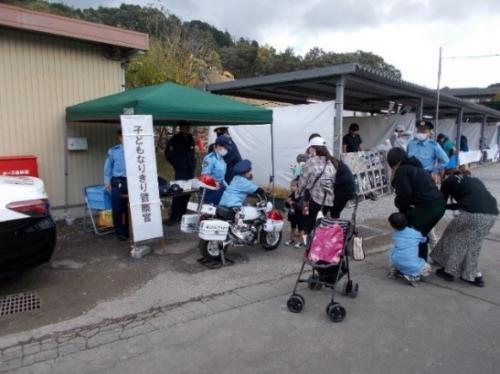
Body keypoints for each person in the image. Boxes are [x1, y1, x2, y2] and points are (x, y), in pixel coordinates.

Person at [431, 168, 498, 287]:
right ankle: (472, 275)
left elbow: (441, 203)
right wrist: (449, 207)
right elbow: (470, 201)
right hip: (492, 214)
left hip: (471, 213)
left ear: (446, 175)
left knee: (451, 236)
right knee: (473, 244)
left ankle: (447, 270)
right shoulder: (474, 180)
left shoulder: (449, 181)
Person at [387, 147, 446, 260]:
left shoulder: (402, 170)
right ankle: (433, 259)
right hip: (438, 204)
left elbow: (405, 194)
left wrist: (402, 210)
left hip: (428, 207)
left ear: (393, 162)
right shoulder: (416, 167)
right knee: (422, 233)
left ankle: (418, 266)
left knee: (415, 235)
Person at [298, 136, 336, 244]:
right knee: (321, 221)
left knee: (306, 217)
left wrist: (297, 194)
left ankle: (307, 240)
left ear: (314, 148)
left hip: (312, 199)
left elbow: (302, 181)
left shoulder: (311, 161)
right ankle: (319, 242)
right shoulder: (330, 161)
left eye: (310, 148)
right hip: (328, 200)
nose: (309, 150)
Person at [387, 212, 432, 283]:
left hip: (396, 263)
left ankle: (394, 270)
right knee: (428, 268)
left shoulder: (394, 235)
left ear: (393, 226)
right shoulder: (416, 233)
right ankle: (413, 276)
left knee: (392, 250)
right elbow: (424, 240)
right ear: (406, 221)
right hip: (413, 266)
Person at [165, 121, 196, 223]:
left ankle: (182, 215)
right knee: (178, 193)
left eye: (188, 127)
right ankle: (174, 218)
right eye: (185, 127)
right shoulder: (175, 139)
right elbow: (168, 153)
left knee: (187, 193)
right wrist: (176, 164)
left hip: (190, 170)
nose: (187, 129)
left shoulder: (190, 138)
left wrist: (193, 164)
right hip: (180, 171)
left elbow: (192, 153)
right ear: (181, 128)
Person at [104, 129, 129, 241]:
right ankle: (119, 232)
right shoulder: (113, 151)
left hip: (131, 181)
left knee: (129, 207)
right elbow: (107, 167)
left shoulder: (136, 149)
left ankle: (129, 230)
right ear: (119, 138)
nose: (124, 138)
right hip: (117, 180)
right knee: (117, 207)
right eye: (122, 136)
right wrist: (107, 182)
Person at [201, 136, 230, 205]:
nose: (227, 150)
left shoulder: (221, 159)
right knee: (210, 212)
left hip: (220, 188)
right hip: (210, 190)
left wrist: (228, 187)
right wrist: (214, 183)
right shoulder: (209, 159)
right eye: (225, 148)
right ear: (218, 146)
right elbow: (204, 176)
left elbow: (222, 177)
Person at [284, 178, 303, 246]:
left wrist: (292, 203)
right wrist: (286, 202)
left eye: (293, 186)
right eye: (291, 186)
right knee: (292, 227)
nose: (291, 187)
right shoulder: (291, 195)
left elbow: (300, 207)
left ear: (298, 187)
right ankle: (291, 239)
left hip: (300, 216)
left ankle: (300, 241)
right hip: (293, 214)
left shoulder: (301, 196)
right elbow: (287, 206)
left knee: (300, 229)